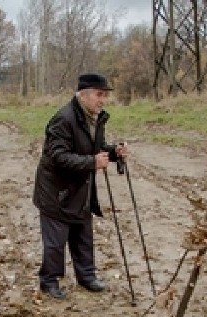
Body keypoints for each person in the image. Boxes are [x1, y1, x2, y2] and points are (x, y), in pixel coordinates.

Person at [32, 73, 128, 300]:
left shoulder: (93, 117)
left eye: (104, 95)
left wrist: (113, 152)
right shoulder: (63, 119)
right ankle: (49, 281)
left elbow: (95, 147)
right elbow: (57, 156)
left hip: (80, 188)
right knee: (55, 242)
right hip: (56, 191)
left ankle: (86, 277)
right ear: (83, 95)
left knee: (83, 235)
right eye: (99, 94)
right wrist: (93, 163)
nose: (102, 100)